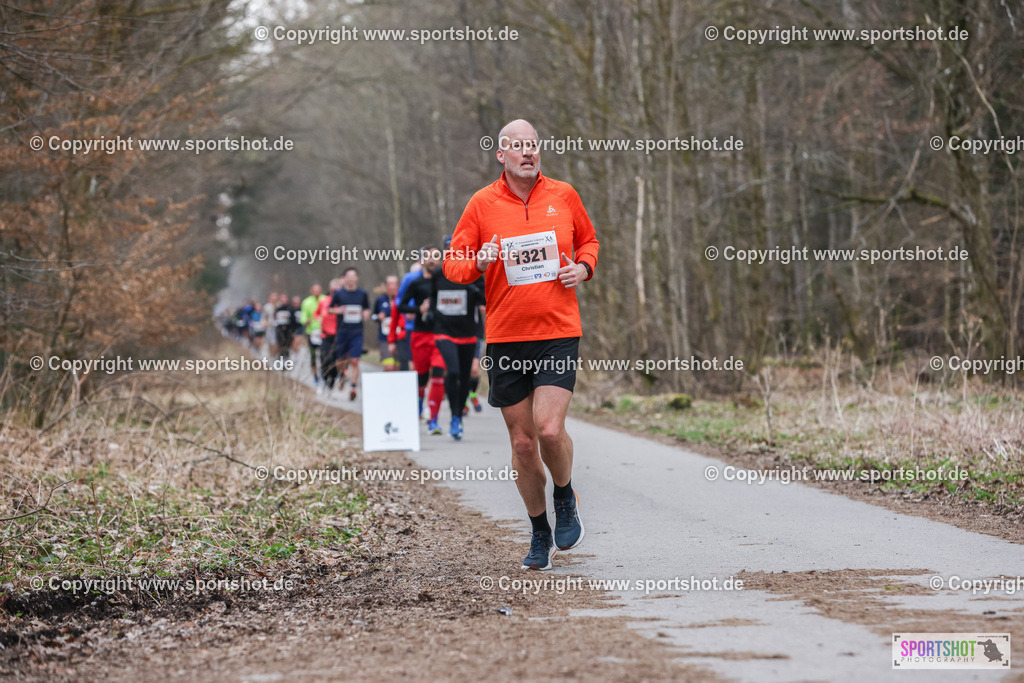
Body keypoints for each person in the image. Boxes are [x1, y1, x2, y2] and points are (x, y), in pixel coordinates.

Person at [443, 119, 599, 571]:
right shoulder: (481, 203)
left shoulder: (563, 195)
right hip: (507, 336)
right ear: (501, 155)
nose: (528, 152)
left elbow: (588, 240)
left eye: (533, 145)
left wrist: (583, 269)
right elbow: (454, 265)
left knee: (549, 430)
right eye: (518, 147)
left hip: (557, 331)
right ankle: (539, 531)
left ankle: (565, 497)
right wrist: (478, 260)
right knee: (524, 443)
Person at [431, 236, 485, 440]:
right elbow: (433, 297)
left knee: (463, 378)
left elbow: (486, 299)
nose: (452, 253)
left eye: (457, 249)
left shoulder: (474, 273)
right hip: (444, 332)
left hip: (468, 334)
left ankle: (456, 417)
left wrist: (475, 291)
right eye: (448, 249)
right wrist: (430, 314)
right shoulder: (438, 274)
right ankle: (454, 414)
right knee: (452, 371)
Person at [394, 248, 445, 433]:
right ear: (422, 261)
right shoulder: (415, 282)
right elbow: (400, 305)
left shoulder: (446, 281)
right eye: (428, 257)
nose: (432, 260)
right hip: (420, 335)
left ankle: (434, 420)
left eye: (436, 257)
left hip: (441, 335)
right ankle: (418, 407)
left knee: (438, 375)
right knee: (422, 378)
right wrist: (418, 310)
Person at [327, 267, 370, 400]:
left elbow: (367, 308)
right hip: (342, 332)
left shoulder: (362, 293)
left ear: (357, 278)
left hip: (357, 332)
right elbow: (330, 309)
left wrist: (366, 313)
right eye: (348, 276)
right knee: (341, 361)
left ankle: (353, 387)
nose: (351, 278)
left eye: (353, 276)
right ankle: (343, 374)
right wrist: (338, 311)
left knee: (355, 361)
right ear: (344, 278)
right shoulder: (339, 293)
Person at [315, 279, 340, 393]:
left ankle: (332, 381)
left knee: (336, 361)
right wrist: (319, 318)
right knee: (325, 359)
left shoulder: (342, 301)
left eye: (337, 288)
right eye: (333, 288)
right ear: (329, 289)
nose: (334, 290)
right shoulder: (324, 301)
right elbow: (316, 313)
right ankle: (324, 380)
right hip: (325, 335)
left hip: (339, 336)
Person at [372, 276, 400, 371]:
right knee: (389, 366)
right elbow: (373, 316)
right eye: (389, 284)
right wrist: (378, 317)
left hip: (400, 337)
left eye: (394, 284)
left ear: (397, 286)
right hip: (384, 338)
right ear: (386, 286)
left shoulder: (402, 299)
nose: (392, 287)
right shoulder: (380, 300)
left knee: (398, 367)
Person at [300, 284, 325, 385]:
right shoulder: (307, 302)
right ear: (311, 291)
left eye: (318, 290)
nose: (316, 292)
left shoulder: (325, 300)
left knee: (324, 355)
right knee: (313, 356)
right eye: (314, 290)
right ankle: (315, 377)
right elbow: (303, 317)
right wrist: (306, 321)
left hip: (324, 332)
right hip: (312, 333)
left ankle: (324, 374)